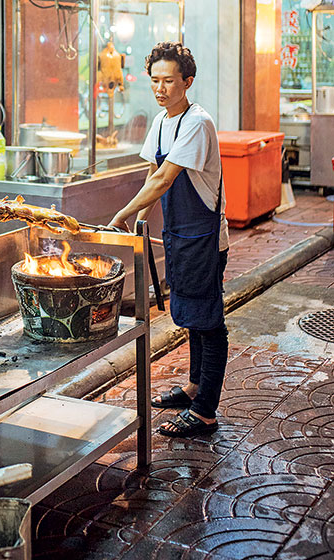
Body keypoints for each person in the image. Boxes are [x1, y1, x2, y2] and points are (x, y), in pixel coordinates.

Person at [109, 41, 229, 438]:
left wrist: (123, 214)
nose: (160, 89)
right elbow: (152, 176)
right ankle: (195, 387)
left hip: (206, 239)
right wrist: (141, 224)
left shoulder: (198, 122)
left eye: (168, 81)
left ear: (187, 81)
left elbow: (165, 178)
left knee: (209, 323)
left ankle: (206, 411)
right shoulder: (162, 121)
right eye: (154, 81)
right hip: (179, 235)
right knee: (192, 320)